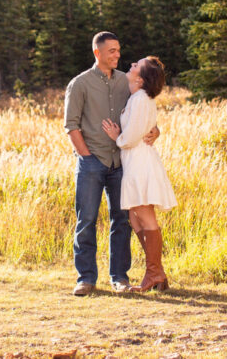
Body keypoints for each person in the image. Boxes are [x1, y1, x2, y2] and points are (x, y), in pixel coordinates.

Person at [64, 31, 159, 296]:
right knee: (87, 219)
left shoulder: (125, 83)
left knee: (121, 220)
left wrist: (156, 130)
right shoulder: (79, 84)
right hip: (92, 161)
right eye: (112, 51)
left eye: (118, 50)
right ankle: (86, 278)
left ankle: (119, 278)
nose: (117, 55)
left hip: (121, 165)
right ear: (98, 53)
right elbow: (71, 125)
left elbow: (142, 110)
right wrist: (86, 156)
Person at [102, 56, 177, 292]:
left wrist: (118, 138)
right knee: (135, 217)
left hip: (140, 162)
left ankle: (153, 273)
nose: (131, 65)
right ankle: (158, 273)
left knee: (144, 216)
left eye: (135, 65)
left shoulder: (141, 99)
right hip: (134, 162)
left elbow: (133, 134)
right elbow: (143, 125)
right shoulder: (136, 97)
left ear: (141, 78)